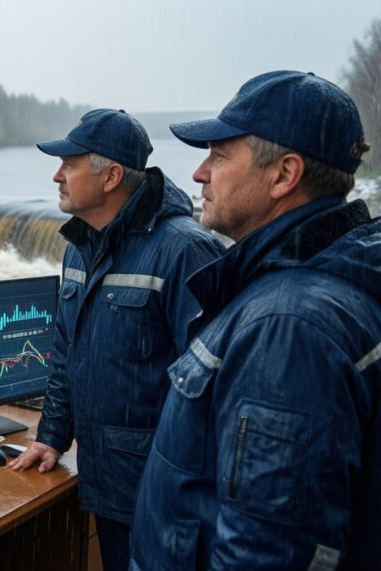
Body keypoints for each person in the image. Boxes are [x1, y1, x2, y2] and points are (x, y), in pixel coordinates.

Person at [130, 71, 381, 570]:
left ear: (284, 175)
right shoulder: (323, 283)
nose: (199, 173)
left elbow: (268, 552)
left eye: (219, 156)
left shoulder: (288, 329)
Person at [9, 109, 223, 571]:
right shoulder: (79, 247)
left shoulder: (185, 250)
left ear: (111, 177)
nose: (57, 175)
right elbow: (66, 351)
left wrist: (181, 493)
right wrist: (51, 437)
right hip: (104, 487)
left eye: (69, 164)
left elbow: (211, 392)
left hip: (163, 501)